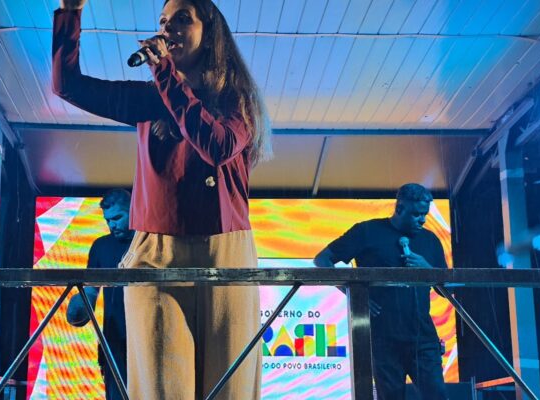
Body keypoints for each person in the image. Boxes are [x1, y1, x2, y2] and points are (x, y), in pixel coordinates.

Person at [52, 0, 272, 398]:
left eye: (182, 19)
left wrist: (165, 74)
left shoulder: (236, 100)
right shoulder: (150, 98)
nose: (168, 29)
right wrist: (70, 12)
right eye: (163, 21)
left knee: (230, 387)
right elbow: (68, 86)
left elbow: (217, 145)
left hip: (225, 251)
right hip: (156, 251)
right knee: (160, 388)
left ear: (210, 33)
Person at [314, 183, 449, 400]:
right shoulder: (367, 232)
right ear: (400, 208)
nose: (422, 220)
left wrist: (428, 270)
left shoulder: (430, 240)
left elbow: (447, 290)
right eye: (416, 214)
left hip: (423, 337)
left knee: (437, 395)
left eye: (425, 214)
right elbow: (322, 259)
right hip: (383, 338)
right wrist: (353, 294)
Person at [66, 189, 134, 400]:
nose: (112, 225)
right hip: (114, 338)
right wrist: (81, 306)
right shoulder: (101, 246)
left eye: (117, 217)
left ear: (133, 211)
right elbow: (91, 290)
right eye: (108, 220)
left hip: (147, 333)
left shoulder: (149, 242)